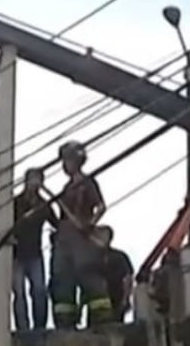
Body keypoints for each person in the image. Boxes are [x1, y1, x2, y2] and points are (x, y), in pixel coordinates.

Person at [49, 140, 112, 329]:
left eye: (67, 160)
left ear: (77, 161)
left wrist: (90, 224)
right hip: (65, 238)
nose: (64, 165)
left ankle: (100, 318)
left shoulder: (88, 183)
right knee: (63, 278)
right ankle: (65, 321)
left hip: (82, 238)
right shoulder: (66, 188)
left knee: (88, 274)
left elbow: (101, 206)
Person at [12, 168, 59, 330]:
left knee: (39, 290)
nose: (34, 184)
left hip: (35, 254)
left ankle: (39, 327)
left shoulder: (43, 205)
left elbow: (56, 224)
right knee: (19, 293)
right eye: (32, 180)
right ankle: (23, 328)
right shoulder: (15, 203)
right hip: (16, 254)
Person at [95, 225, 134, 322]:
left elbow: (128, 278)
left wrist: (125, 299)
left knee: (115, 326)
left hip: (115, 301)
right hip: (96, 303)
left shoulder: (119, 257)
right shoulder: (90, 257)